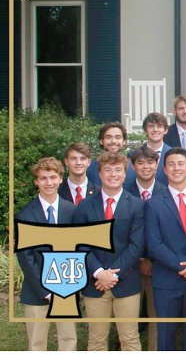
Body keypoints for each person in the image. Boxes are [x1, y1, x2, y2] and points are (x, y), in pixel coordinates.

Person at [75, 152, 145, 351]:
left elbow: (136, 245)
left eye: (118, 170)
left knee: (130, 338)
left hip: (126, 281)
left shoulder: (137, 205)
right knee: (96, 339)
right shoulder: (85, 206)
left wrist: (113, 275)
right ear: (99, 174)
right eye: (108, 170)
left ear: (125, 174)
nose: (113, 174)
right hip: (95, 283)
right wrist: (99, 272)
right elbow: (80, 244)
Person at [145, 148, 186, 351]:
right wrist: (181, 266)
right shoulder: (153, 204)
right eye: (171, 164)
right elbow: (154, 244)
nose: (176, 168)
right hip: (166, 280)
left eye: (181, 164)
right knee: (165, 336)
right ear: (164, 170)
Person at [16, 157, 77, 352]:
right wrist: (46, 290)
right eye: (43, 178)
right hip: (36, 290)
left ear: (60, 179)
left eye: (52, 177)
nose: (48, 183)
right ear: (36, 181)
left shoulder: (72, 211)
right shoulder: (25, 215)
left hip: (66, 286)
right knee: (36, 342)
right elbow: (26, 257)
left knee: (68, 338)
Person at [126, 146, 167, 351]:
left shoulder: (166, 192)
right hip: (130, 265)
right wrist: (140, 259)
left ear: (157, 165)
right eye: (140, 163)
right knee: (128, 317)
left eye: (150, 162)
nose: (145, 167)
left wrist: (152, 259)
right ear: (133, 167)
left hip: (158, 265)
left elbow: (167, 231)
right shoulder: (124, 192)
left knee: (156, 315)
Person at [137, 112, 174, 184]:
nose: (155, 130)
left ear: (166, 130)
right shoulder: (135, 154)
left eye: (159, 126)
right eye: (151, 126)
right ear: (145, 131)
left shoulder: (173, 154)